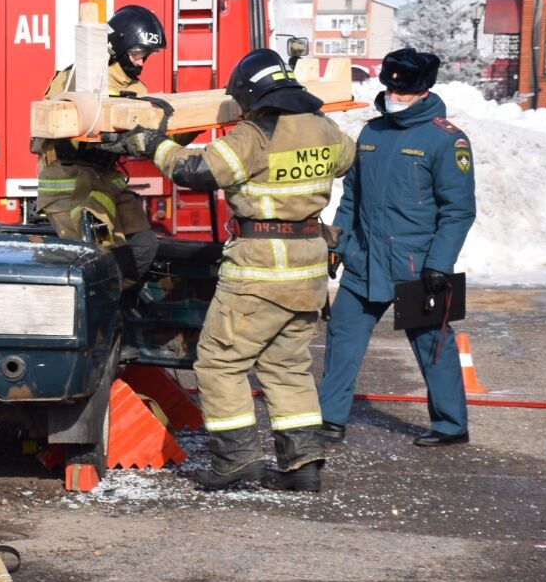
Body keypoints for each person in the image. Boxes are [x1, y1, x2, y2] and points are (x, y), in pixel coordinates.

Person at [103, 49, 356, 491]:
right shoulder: (327, 128)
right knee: (287, 367)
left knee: (220, 362)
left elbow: (197, 170)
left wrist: (150, 143)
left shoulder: (255, 133)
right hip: (309, 269)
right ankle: (302, 467)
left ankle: (235, 461)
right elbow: (347, 159)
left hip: (260, 273)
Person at [318, 48, 476, 447]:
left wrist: (440, 263)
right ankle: (330, 419)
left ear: (424, 90)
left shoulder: (447, 139)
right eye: (390, 88)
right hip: (365, 260)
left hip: (418, 265)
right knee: (343, 333)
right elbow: (351, 197)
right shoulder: (371, 133)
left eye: (403, 91)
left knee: (432, 342)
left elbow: (458, 211)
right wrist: (339, 242)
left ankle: (450, 425)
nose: (395, 96)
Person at [33, 4, 167, 290]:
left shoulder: (137, 90)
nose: (142, 63)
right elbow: (61, 125)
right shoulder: (76, 78)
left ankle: (118, 303)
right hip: (70, 186)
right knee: (100, 262)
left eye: (146, 57)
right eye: (137, 55)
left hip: (106, 183)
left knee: (143, 245)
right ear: (118, 48)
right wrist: (109, 136)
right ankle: (101, 319)